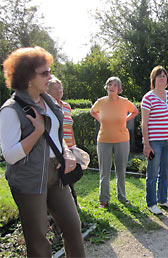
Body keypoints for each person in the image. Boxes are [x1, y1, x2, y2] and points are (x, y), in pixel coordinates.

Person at [0, 46, 86, 257]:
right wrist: (37, 131)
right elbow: (9, 155)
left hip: (56, 175)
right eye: (44, 73)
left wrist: (65, 153)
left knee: (73, 227)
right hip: (28, 180)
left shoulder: (49, 102)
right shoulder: (11, 109)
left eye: (50, 71)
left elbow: (57, 136)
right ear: (28, 77)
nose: (50, 76)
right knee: (38, 240)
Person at [90, 77, 138, 208]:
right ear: (106, 87)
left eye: (115, 85)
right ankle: (103, 200)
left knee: (121, 171)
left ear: (119, 89)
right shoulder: (101, 102)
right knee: (104, 172)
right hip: (104, 140)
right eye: (110, 84)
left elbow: (135, 111)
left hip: (122, 140)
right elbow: (92, 112)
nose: (112, 87)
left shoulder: (124, 102)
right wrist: (100, 119)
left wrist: (126, 119)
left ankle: (122, 197)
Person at [141, 65, 168, 215]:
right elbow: (144, 122)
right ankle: (152, 203)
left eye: (164, 76)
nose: (162, 78)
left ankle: (163, 199)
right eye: (159, 76)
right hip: (155, 142)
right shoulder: (148, 98)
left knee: (165, 172)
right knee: (152, 174)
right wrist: (146, 144)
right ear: (153, 79)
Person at [47, 75, 79, 207]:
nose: (59, 91)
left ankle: (74, 202)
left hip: (69, 146)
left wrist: (74, 145)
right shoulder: (48, 107)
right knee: (60, 176)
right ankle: (63, 205)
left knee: (70, 175)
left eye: (60, 89)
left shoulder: (66, 106)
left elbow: (70, 127)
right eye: (55, 89)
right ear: (48, 91)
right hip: (56, 146)